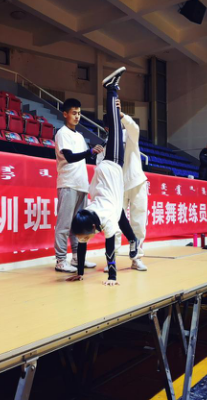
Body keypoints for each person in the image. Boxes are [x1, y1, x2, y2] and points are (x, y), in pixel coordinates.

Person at [69, 66, 139, 286]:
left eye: (83, 237)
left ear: (92, 228)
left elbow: (110, 250)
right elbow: (83, 245)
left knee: (116, 128)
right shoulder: (87, 217)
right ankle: (112, 90)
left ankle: (111, 89)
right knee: (121, 216)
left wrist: (112, 277)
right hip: (102, 178)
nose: (82, 241)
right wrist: (80, 273)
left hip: (110, 169)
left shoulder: (105, 221)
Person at [54, 98, 104, 273]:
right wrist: (89, 151)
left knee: (78, 224)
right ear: (65, 114)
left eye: (79, 113)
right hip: (68, 183)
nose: (77, 116)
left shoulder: (80, 136)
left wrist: (97, 151)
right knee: (64, 224)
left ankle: (76, 257)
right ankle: (61, 260)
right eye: (74, 113)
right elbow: (69, 157)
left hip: (82, 185)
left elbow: (86, 156)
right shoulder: (62, 134)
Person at [98, 101, 148, 271]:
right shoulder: (104, 148)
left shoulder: (129, 134)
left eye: (118, 122)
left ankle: (136, 259)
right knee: (115, 224)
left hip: (137, 183)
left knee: (138, 223)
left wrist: (122, 115)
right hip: (117, 190)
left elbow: (134, 128)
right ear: (107, 128)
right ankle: (112, 260)